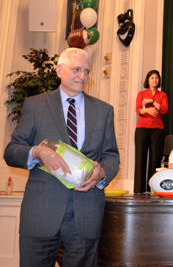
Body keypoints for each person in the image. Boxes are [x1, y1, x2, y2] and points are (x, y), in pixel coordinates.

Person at [4, 48, 120, 267]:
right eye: (77, 69)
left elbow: (111, 155)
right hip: (41, 212)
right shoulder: (35, 105)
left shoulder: (104, 111)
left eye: (87, 71)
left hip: (86, 214)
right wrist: (37, 151)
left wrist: (102, 172)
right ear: (59, 70)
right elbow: (11, 151)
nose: (83, 76)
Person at [134, 70, 168, 193]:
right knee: (140, 159)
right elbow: (138, 110)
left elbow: (164, 109)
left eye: (157, 78)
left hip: (157, 130)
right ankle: (139, 191)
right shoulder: (142, 93)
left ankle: (153, 189)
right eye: (152, 77)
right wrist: (148, 110)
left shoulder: (162, 95)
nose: (155, 80)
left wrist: (152, 102)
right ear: (148, 80)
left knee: (155, 159)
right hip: (142, 129)